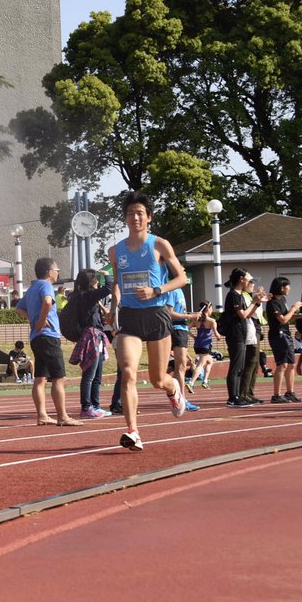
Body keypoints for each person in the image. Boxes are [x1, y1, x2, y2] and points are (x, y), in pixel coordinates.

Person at [108, 192, 188, 451]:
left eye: (140, 213)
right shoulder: (115, 251)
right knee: (128, 372)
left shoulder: (159, 245)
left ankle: (172, 387)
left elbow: (182, 279)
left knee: (156, 379)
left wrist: (157, 290)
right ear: (125, 218)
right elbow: (117, 284)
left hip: (156, 314)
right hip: (130, 316)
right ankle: (133, 431)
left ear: (149, 217)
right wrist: (113, 307)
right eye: (131, 213)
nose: (135, 217)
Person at [20, 257, 80, 427]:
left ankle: (42, 415)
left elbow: (19, 307)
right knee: (58, 378)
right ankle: (62, 416)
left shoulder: (31, 288)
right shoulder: (46, 285)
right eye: (57, 269)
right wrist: (41, 319)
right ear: (49, 272)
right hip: (49, 336)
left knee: (40, 378)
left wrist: (33, 319)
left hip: (36, 338)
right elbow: (47, 302)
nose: (58, 272)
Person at [68, 269, 114, 418]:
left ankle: (95, 406)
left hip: (95, 335)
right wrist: (107, 275)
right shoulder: (87, 295)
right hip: (92, 335)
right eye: (96, 279)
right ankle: (86, 407)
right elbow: (109, 288)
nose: (98, 281)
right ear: (91, 281)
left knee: (97, 375)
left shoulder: (79, 296)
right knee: (90, 375)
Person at [222, 269, 268, 407]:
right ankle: (233, 397)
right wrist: (254, 302)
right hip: (235, 334)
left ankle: (237, 396)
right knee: (236, 367)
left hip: (241, 334)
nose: (250, 281)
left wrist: (257, 302)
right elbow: (242, 315)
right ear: (241, 279)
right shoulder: (233, 295)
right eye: (248, 278)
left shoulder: (240, 295)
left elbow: (248, 314)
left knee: (240, 367)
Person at [265, 277, 302, 403]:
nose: (289, 288)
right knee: (282, 364)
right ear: (281, 287)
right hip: (278, 334)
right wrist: (293, 308)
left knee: (291, 364)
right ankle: (276, 395)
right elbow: (283, 319)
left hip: (286, 333)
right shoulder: (272, 302)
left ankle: (290, 392)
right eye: (288, 286)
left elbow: (288, 316)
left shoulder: (283, 300)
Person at [165, 287, 200, 412]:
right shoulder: (173, 290)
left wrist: (190, 316)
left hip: (182, 329)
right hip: (176, 329)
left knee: (181, 366)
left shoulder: (179, 291)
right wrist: (189, 316)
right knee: (180, 366)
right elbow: (169, 312)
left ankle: (179, 397)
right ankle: (181, 399)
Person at [187, 302, 217, 391]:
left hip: (197, 345)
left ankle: (205, 381)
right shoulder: (211, 321)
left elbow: (186, 328)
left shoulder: (196, 320)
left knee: (210, 361)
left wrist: (194, 337)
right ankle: (191, 383)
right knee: (200, 364)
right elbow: (216, 333)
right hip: (205, 345)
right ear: (208, 309)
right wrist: (219, 336)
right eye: (211, 308)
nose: (212, 310)